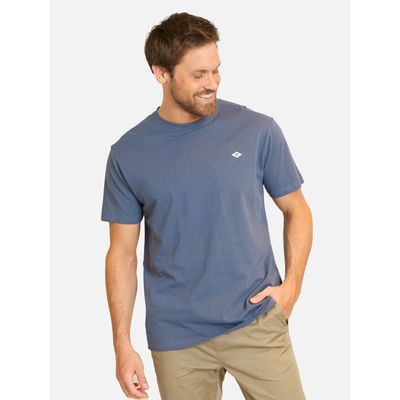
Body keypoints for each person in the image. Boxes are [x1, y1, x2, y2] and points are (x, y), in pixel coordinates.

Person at [101, 12, 313, 400]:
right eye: (198, 75)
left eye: (216, 71)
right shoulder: (128, 154)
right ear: (161, 73)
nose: (211, 83)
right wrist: (122, 344)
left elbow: (296, 209)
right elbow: (122, 253)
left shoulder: (257, 129)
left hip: (256, 321)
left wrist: (292, 287)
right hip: (177, 340)